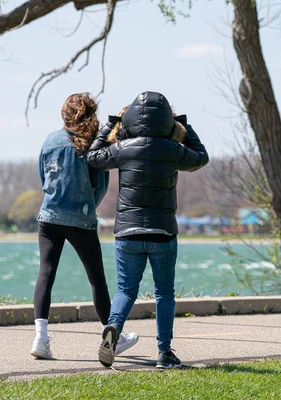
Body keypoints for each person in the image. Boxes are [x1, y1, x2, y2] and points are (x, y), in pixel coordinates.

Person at [87, 91, 209, 368]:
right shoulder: (172, 150)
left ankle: (114, 328)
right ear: (166, 120)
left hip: (127, 233)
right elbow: (201, 157)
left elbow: (93, 156)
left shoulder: (123, 148)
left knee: (125, 290)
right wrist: (184, 125)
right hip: (162, 233)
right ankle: (164, 353)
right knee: (164, 292)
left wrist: (111, 122)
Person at [31, 92, 138, 359]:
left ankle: (40, 339)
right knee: (96, 280)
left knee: (46, 273)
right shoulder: (92, 143)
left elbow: (44, 178)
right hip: (81, 218)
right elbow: (100, 187)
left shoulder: (49, 140)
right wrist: (88, 206)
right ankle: (112, 335)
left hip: (49, 217)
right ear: (90, 114)